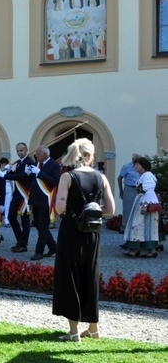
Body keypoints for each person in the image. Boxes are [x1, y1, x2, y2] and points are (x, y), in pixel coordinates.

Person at [52, 138, 115, 341]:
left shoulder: (67, 177)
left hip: (71, 231)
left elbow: (60, 208)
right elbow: (111, 210)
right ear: (88, 156)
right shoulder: (101, 177)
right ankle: (93, 328)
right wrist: (93, 212)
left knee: (71, 276)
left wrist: (74, 210)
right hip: (93, 233)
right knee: (90, 275)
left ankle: (73, 332)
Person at [26, 145, 61, 261]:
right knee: (38, 224)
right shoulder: (37, 164)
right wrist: (28, 173)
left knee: (43, 227)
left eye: (38, 153)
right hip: (36, 199)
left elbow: (54, 181)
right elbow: (33, 181)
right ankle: (53, 247)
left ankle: (39, 251)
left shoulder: (54, 165)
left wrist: (39, 173)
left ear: (45, 154)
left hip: (46, 201)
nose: (36, 155)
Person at [123, 156, 161, 258]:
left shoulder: (147, 175)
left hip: (145, 201)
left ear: (143, 166)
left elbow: (149, 190)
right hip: (142, 200)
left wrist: (145, 205)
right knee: (143, 225)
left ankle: (140, 249)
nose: (135, 166)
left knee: (139, 224)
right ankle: (144, 249)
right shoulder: (143, 175)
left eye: (137, 164)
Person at [4, 142, 35, 253]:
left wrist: (6, 175)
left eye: (21, 150)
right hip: (17, 194)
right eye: (17, 150)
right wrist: (10, 171)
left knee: (24, 220)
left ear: (26, 150)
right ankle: (20, 240)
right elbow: (18, 175)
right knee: (11, 217)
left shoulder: (29, 162)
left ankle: (23, 244)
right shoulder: (20, 162)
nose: (19, 152)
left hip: (24, 195)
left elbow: (22, 177)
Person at [117, 153, 141, 236]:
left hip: (139, 189)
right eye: (135, 159)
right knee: (127, 208)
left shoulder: (142, 167)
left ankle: (136, 226)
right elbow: (119, 178)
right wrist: (121, 190)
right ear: (132, 159)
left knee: (138, 208)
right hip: (129, 188)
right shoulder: (126, 166)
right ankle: (124, 226)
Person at [0, 157, 13, 226]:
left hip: (8, 190)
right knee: (1, 206)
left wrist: (12, 190)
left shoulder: (8, 172)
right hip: (1, 191)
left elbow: (10, 181)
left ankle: (7, 221)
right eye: (4, 164)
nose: (5, 165)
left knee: (8, 206)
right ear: (1, 164)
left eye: (6, 164)